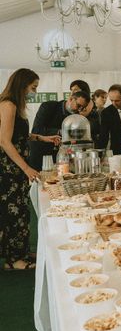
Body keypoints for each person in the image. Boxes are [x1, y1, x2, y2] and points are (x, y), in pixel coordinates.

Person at [1, 69, 60, 270]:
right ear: (22, 85)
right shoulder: (7, 105)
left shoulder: (16, 106)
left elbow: (21, 136)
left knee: (21, 211)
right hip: (8, 168)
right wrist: (26, 168)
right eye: (33, 87)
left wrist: (43, 138)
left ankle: (22, 251)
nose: (34, 92)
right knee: (13, 213)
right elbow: (5, 142)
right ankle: (13, 259)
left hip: (15, 167)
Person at [28, 90, 90, 170]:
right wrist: (61, 132)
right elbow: (36, 130)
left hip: (60, 157)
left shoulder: (76, 116)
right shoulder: (48, 106)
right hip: (41, 155)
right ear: (70, 99)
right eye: (78, 105)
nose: (79, 110)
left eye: (82, 108)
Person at [96, 84, 121, 155]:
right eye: (111, 100)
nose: (114, 104)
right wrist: (99, 155)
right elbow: (103, 136)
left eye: (117, 101)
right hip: (118, 152)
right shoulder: (106, 112)